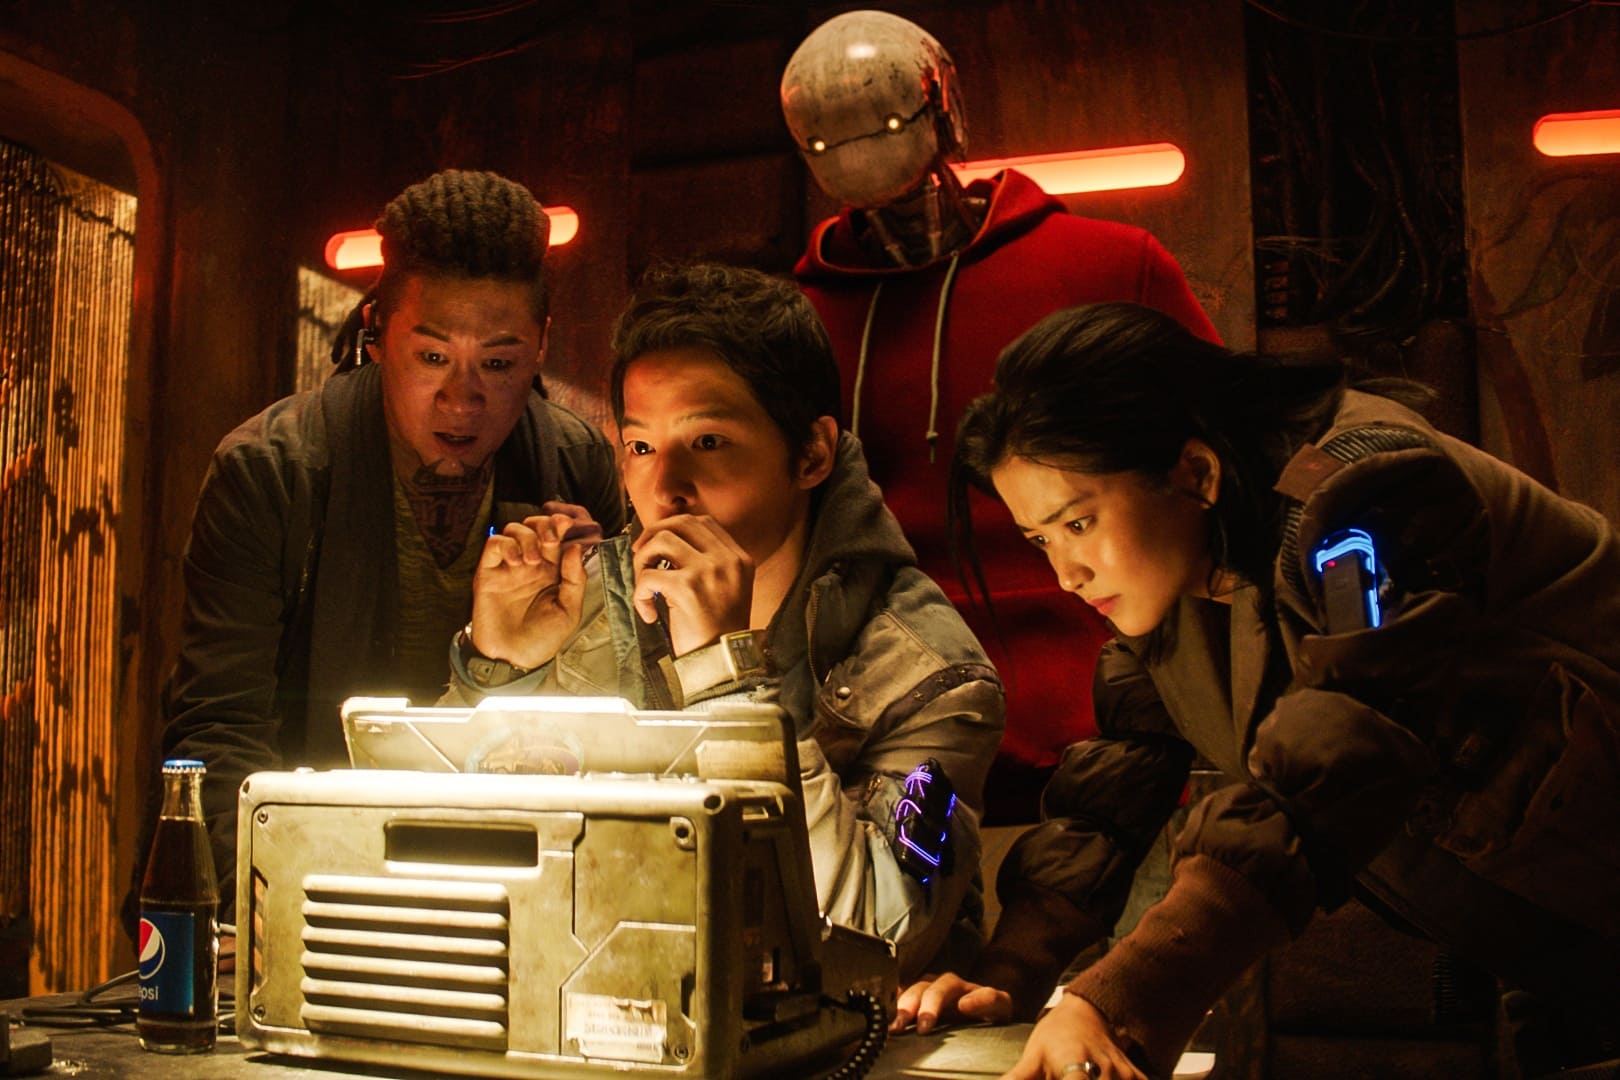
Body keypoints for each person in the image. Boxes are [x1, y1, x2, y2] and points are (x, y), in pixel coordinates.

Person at [902, 302, 1620, 1079]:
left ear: (1196, 472)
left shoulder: (1366, 501)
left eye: (1078, 525)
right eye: (1040, 539)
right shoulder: (1175, 595)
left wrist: (1125, 992)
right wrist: (1008, 975)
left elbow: (1349, 734)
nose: (1064, 574)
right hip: (1560, 959)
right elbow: (1107, 803)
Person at [443, 262, 1005, 980]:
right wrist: (499, 675)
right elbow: (450, 878)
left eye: (707, 442)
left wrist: (728, 684)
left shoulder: (929, 673)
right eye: (641, 447)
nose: (665, 488)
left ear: (812, 454)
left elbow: (875, 940)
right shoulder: (583, 602)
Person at [140, 169, 626, 926]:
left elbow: (615, 724)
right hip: (307, 871)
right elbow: (220, 729)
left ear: (540, 347)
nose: (462, 398)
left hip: (511, 878)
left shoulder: (573, 465)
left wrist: (599, 616)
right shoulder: (273, 471)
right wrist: (257, 907)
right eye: (432, 357)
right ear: (376, 332)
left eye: (498, 364)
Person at [782, 10, 1221, 823]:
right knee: (926, 897)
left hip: (1126, 725)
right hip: (902, 738)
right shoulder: (798, 327)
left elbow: (1229, 469)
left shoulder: (1108, 267)